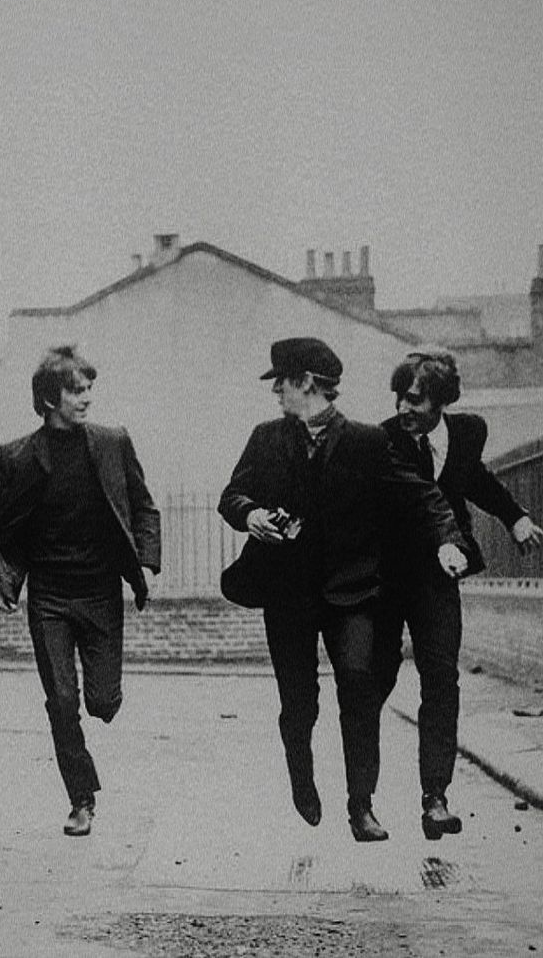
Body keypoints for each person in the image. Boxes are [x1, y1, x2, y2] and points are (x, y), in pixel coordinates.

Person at [218, 336, 469, 842]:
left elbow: (424, 495)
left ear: (307, 384)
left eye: (282, 383)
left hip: (351, 593)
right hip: (287, 594)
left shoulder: (366, 441)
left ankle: (362, 806)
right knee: (299, 701)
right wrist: (252, 514)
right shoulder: (266, 438)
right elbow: (231, 496)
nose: (277, 394)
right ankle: (302, 772)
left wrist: (449, 541)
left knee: (358, 688)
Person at [0, 344, 161, 837]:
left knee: (102, 702)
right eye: (76, 390)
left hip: (100, 592)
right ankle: (81, 798)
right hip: (49, 596)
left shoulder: (113, 442)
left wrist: (148, 562)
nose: (87, 398)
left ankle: (105, 705)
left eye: (89, 388)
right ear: (49, 399)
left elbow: (144, 506)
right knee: (60, 700)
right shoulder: (16, 456)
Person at [377, 346, 543, 840]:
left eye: (414, 400)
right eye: (399, 398)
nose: (403, 409)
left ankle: (435, 797)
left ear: (442, 402)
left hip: (438, 578)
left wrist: (515, 517)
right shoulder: (383, 440)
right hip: (388, 577)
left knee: (442, 679)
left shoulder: (467, 433)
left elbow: (477, 481)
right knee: (373, 679)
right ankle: (361, 796)